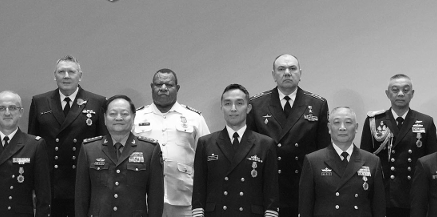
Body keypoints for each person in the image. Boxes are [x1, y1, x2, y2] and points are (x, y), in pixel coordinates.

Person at [247, 53, 330, 217]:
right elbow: (250, 149)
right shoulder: (256, 104)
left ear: (300, 73)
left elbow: (323, 151)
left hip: (302, 184)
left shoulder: (317, 104)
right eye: (281, 69)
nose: (287, 72)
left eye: (292, 68)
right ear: (273, 75)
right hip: (269, 184)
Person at [28, 55, 106, 217]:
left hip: (82, 180)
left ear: (80, 75)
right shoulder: (40, 101)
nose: (66, 76)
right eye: (61, 72)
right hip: (49, 181)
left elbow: (103, 145)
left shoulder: (97, 102)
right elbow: (32, 145)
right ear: (54, 75)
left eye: (71, 71)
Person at [191, 84, 279, 217]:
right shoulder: (206, 143)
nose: (233, 109)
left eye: (239, 103)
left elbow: (271, 191)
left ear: (248, 108)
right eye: (227, 104)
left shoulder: (265, 144)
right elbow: (199, 188)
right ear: (221, 108)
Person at [133, 69, 210, 217]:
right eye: (158, 84)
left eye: (168, 85)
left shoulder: (194, 118)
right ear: (151, 87)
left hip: (185, 196)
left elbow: (206, 156)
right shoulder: (137, 117)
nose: (163, 88)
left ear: (177, 88)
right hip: (145, 197)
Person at [360, 74, 437, 217]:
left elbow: (432, 162)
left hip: (414, 193)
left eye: (405, 90)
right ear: (387, 94)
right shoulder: (374, 121)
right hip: (384, 193)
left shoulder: (425, 121)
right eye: (395, 90)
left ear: (412, 94)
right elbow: (365, 159)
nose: (400, 94)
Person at [74, 95, 164, 217]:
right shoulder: (89, 148)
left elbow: (156, 199)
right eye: (113, 114)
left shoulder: (149, 149)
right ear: (105, 118)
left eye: (124, 114)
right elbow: (81, 197)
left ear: (133, 117)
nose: (118, 118)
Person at [299, 106, 386, 217]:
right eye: (336, 123)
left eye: (348, 122)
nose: (342, 128)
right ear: (329, 128)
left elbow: (378, 208)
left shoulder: (372, 161)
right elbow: (305, 207)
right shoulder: (313, 161)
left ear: (356, 127)